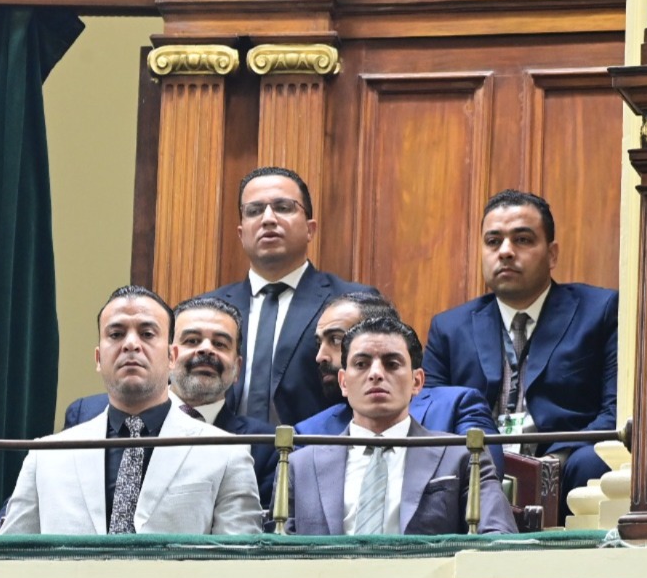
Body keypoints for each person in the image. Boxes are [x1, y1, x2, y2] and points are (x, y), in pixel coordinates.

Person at [0, 286, 261, 536]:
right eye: (116, 334)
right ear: (98, 359)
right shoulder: (45, 457)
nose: (131, 344)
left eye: (147, 334)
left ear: (172, 357)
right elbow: (11, 558)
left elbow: (241, 561)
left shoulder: (227, 454)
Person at [421, 190, 618, 518]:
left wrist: (554, 461)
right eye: (493, 241)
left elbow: (615, 411)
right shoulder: (449, 328)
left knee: (594, 460)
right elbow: (431, 418)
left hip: (566, 466)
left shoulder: (599, 311)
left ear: (552, 254)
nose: (506, 251)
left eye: (522, 240)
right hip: (478, 467)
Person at [290, 316, 516, 535]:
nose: (376, 374)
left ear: (417, 381)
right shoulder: (300, 465)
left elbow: (498, 538)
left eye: (391, 364)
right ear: (343, 382)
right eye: (361, 364)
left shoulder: (463, 457)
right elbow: (277, 546)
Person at [63, 296, 277, 507]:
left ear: (237, 368)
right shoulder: (87, 414)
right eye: (191, 340)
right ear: (169, 355)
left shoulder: (262, 444)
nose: (206, 349)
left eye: (220, 344)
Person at [200, 166, 373, 425]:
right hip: (222, 447)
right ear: (241, 234)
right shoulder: (206, 310)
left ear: (310, 230)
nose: (268, 219)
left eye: (283, 207)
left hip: (318, 445)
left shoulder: (353, 302)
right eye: (254, 211)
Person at [295, 291, 502, 472]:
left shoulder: (457, 408)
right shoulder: (310, 433)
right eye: (319, 342)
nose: (320, 356)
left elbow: (481, 483)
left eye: (336, 339)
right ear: (343, 381)